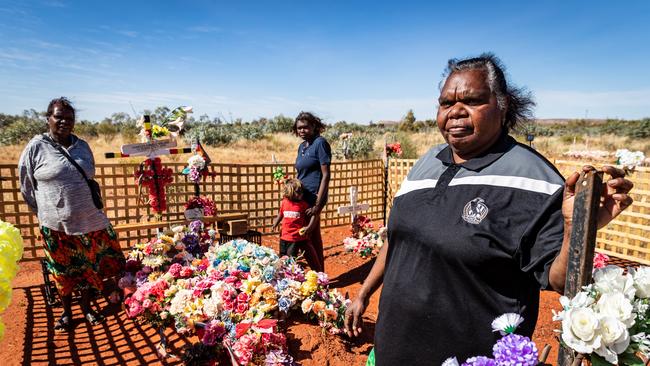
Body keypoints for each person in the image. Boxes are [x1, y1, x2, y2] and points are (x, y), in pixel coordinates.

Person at [343, 54, 634, 365]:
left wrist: (576, 229)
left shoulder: (534, 180)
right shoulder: (426, 163)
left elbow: (561, 282)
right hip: (392, 352)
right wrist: (363, 293)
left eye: (472, 101)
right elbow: (397, 240)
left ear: (502, 104)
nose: (455, 112)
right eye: (445, 103)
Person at [18, 97, 126, 332]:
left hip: (88, 220)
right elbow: (26, 186)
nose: (64, 122)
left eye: (69, 118)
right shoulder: (36, 146)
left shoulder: (82, 146)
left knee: (87, 267)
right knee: (62, 271)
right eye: (59, 117)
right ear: (48, 119)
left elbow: (88, 175)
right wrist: (47, 211)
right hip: (55, 225)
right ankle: (67, 313)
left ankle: (87, 308)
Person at [293, 111, 331, 271]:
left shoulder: (320, 143)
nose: (302, 131)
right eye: (299, 128)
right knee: (312, 238)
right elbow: (300, 173)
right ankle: (320, 275)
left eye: (305, 127)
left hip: (313, 198)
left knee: (304, 237)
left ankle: (319, 275)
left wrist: (317, 204)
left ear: (314, 126)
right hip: (301, 198)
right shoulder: (302, 146)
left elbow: (326, 175)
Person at [271, 178, 322, 270]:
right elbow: (280, 214)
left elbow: (314, 214)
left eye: (301, 192)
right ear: (291, 192)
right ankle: (284, 276)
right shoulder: (284, 202)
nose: (301, 194)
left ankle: (292, 276)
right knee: (282, 257)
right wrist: (275, 223)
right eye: (298, 192)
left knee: (291, 259)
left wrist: (309, 227)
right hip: (284, 236)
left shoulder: (303, 205)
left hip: (295, 237)